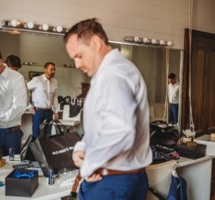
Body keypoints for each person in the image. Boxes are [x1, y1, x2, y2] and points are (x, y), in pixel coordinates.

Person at [64, 18, 152, 200]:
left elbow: (121, 130)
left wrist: (89, 164)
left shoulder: (112, 75)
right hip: (123, 181)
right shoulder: (116, 71)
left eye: (79, 56)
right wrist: (81, 148)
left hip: (111, 184)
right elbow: (102, 127)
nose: (77, 65)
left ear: (95, 43)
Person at [27, 62, 59, 139]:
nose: (53, 71)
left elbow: (55, 97)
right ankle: (34, 151)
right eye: (51, 69)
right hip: (38, 112)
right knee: (35, 135)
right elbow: (23, 90)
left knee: (47, 135)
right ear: (45, 70)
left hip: (49, 112)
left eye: (54, 70)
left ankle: (46, 151)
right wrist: (29, 106)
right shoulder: (37, 80)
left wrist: (56, 111)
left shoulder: (55, 82)